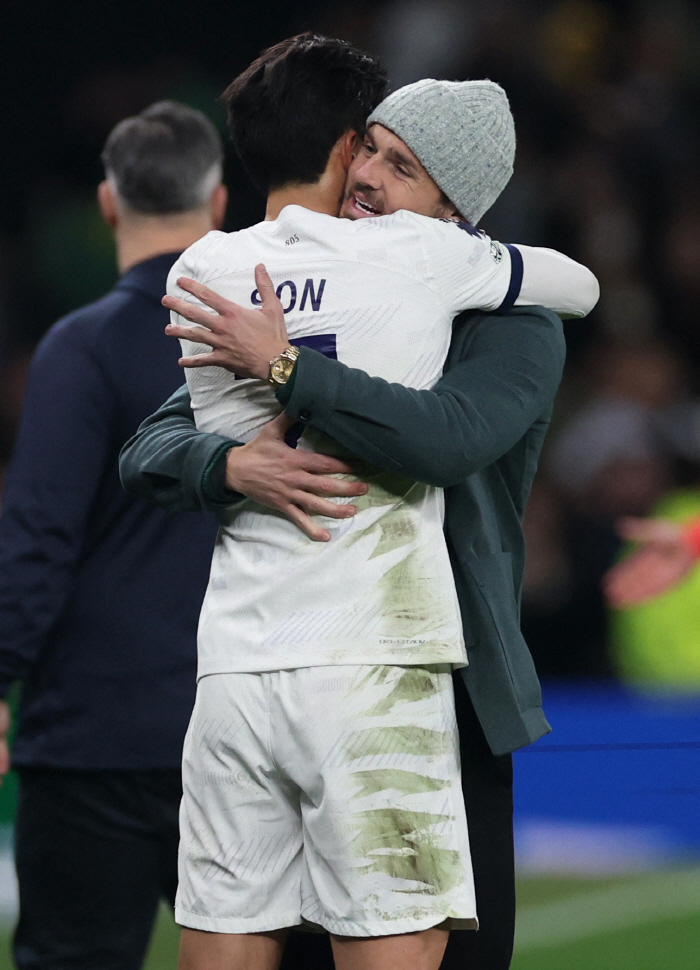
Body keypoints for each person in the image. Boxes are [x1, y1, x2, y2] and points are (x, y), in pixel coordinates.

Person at [122, 35, 596, 970]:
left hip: (447, 683)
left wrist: (289, 371)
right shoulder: (312, 289)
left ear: (457, 211)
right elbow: (153, 444)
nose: (366, 176)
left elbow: (449, 437)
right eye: (368, 148)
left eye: (401, 166)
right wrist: (232, 466)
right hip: (307, 666)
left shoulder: (515, 325)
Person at [0, 101, 230, 970]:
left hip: (93, 733)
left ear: (107, 203)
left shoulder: (82, 347)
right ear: (216, 204)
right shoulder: (268, 344)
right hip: (237, 722)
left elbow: (38, 534)